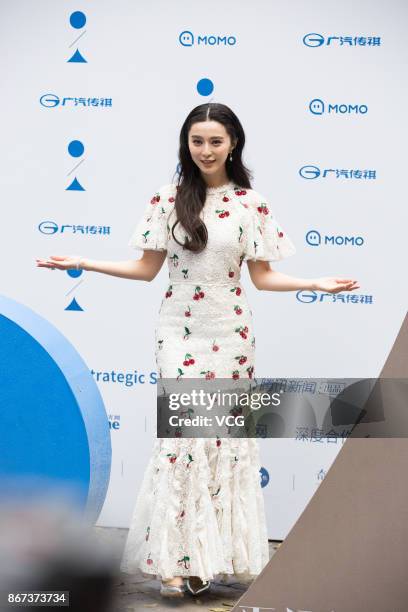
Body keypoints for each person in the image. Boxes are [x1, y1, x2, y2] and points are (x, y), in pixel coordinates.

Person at [36, 102, 359, 599]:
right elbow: (145, 270)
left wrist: (317, 282)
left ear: (233, 144)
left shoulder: (251, 204)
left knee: (223, 442)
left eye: (215, 141)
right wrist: (83, 262)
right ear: (186, 144)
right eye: (196, 141)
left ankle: (213, 557)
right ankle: (173, 560)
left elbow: (264, 277)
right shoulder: (167, 200)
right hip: (178, 333)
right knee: (182, 441)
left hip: (232, 336)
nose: (205, 150)